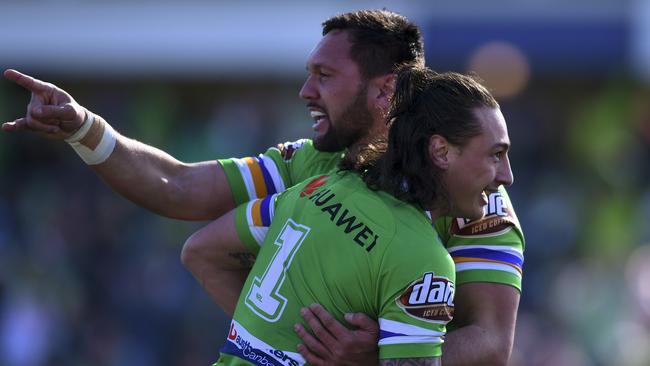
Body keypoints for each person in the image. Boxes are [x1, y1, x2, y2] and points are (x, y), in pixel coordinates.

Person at [2, 9, 523, 365]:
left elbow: (493, 344)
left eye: (325, 75)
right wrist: (83, 128)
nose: (306, 90)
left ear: (385, 89)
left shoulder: (480, 200)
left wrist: (374, 357)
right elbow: (179, 187)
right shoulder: (317, 162)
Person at [187, 66, 514, 365]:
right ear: (441, 151)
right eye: (495, 155)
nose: (507, 176)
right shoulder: (425, 259)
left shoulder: (318, 186)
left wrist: (274, 334)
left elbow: (201, 250)